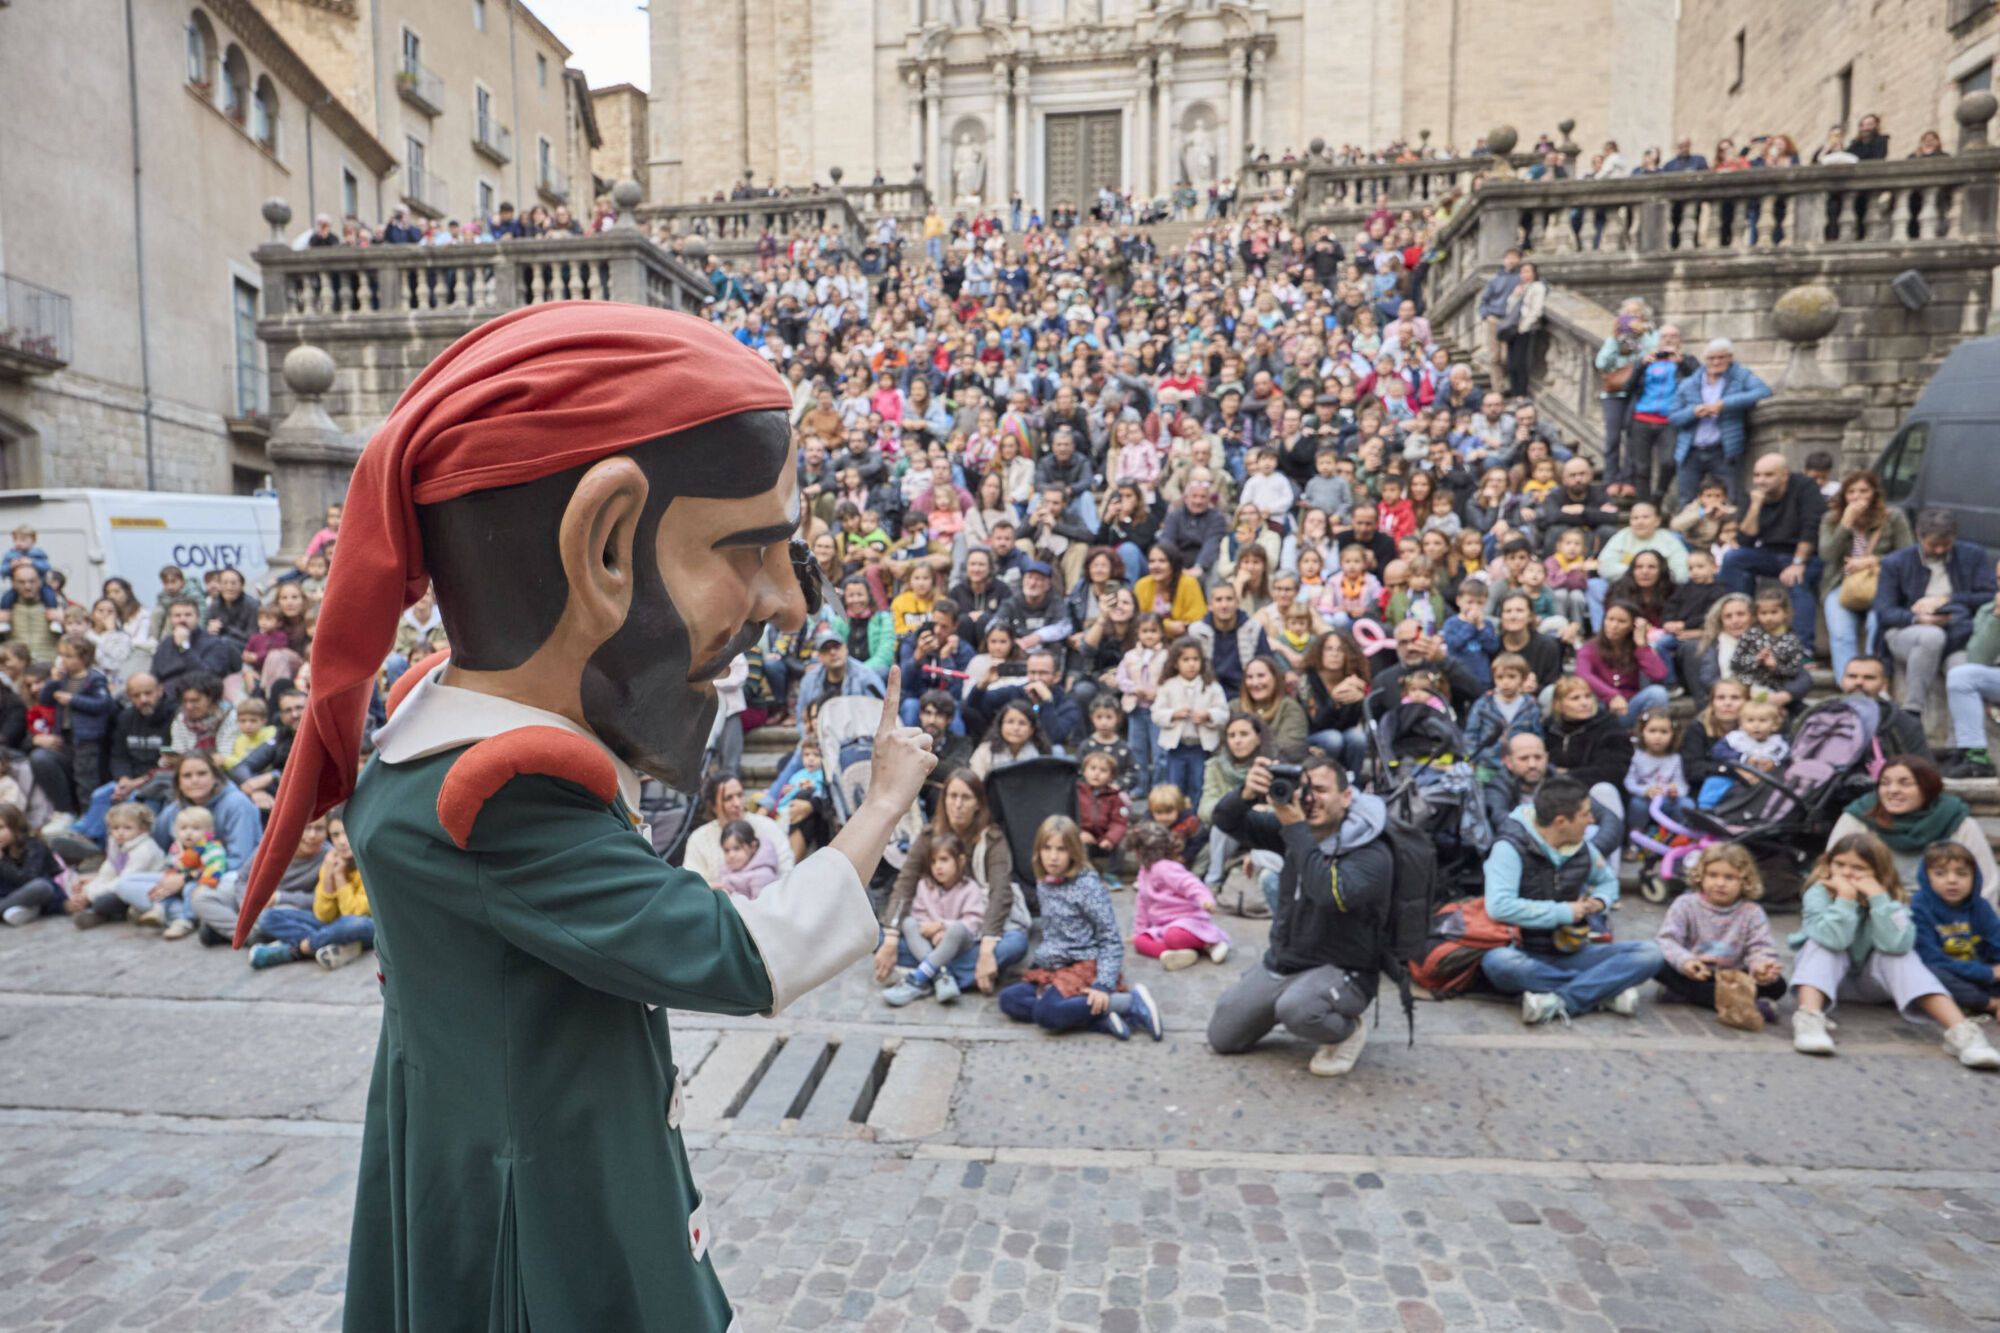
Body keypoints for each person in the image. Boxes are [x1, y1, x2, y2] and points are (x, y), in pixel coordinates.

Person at [1206, 754, 1396, 1078]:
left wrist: (1294, 827)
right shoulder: (1295, 832)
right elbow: (1225, 820)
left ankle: (1346, 1031)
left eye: (1321, 790)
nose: (1310, 799)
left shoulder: (1373, 852)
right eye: (1304, 790)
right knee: (1223, 1037)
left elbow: (1328, 894)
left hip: (1344, 968)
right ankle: (1289, 995)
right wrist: (1246, 793)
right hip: (1288, 961)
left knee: (1298, 1009)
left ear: (1346, 797)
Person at [1788, 832, 2000, 1068]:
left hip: (1875, 983)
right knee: (1819, 944)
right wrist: (1845, 900)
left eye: (1859, 868)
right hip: (1828, 982)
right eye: (1840, 865)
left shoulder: (1892, 898)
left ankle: (1962, 1032)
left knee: (1901, 955)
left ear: (1878, 873)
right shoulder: (1818, 892)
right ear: (1829, 864)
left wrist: (1878, 898)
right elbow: (1834, 939)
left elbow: (1897, 944)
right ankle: (1809, 1018)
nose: (1846, 873)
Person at [1480, 776, 1663, 1024]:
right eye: (1585, 815)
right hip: (1523, 953)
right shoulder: (1509, 848)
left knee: (1650, 954)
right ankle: (1602, 992)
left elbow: (1608, 883)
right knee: (1497, 963)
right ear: (1561, 822)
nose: (1591, 821)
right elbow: (1499, 906)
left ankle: (1560, 1000)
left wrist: (1599, 901)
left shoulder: (1581, 848)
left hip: (1573, 949)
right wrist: (1564, 912)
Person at [997, 815, 1162, 1041]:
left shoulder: (1087, 886)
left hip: (1085, 963)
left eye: (1061, 850)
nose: (1053, 857)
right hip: (1054, 965)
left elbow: (1110, 939)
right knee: (1009, 1000)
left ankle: (1128, 1003)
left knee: (1046, 1014)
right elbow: (1053, 932)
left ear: (1073, 851)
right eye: (1047, 848)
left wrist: (1103, 984)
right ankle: (1099, 1019)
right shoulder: (1045, 881)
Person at [877, 769, 1030, 996]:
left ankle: (923, 974)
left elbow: (1001, 894)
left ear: (978, 803)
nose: (958, 804)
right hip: (931, 928)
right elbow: (905, 884)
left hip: (974, 931)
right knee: (880, 938)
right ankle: (948, 975)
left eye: (966, 798)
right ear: (944, 799)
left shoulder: (992, 840)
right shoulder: (929, 837)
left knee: (1016, 944)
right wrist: (890, 941)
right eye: (952, 796)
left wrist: (987, 951)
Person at [1826, 756, 2000, 903]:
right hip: (1871, 912)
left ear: (1927, 788)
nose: (1893, 790)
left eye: (1905, 783)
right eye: (1885, 783)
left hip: (1942, 918)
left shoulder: (1957, 821)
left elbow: (1986, 883)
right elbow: (1832, 871)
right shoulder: (1859, 818)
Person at [1875, 508, 1993, 725]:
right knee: (1932, 636)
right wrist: (1919, 618)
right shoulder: (1896, 562)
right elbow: (1884, 612)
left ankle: (1962, 746)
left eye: (1945, 545)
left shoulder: (1972, 555)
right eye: (1932, 545)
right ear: (1919, 536)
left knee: (1963, 671)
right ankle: (1913, 712)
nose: (1939, 550)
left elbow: (1988, 596)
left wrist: (1947, 599)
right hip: (1907, 632)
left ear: (1954, 539)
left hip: (1959, 634)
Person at [1651, 844, 1786, 1026]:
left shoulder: (1752, 912)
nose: (1720, 883)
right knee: (1657, 964)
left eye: (1729, 877)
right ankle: (1744, 1005)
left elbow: (1760, 946)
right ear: (1701, 875)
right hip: (1696, 972)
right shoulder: (1685, 904)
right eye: (1713, 875)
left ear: (1744, 880)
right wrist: (1685, 961)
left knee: (1778, 985)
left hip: (1733, 977)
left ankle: (1689, 995)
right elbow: (1668, 940)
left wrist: (1761, 967)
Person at [1720, 452, 1825, 659]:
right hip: (1769, 553)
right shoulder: (1753, 495)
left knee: (1797, 581)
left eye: (1768, 475)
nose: (1761, 480)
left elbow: (1811, 527)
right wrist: (1756, 506)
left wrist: (1797, 562)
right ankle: (1743, 630)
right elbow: (1745, 540)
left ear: (1784, 475)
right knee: (1733, 559)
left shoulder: (1805, 487)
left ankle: (1804, 647)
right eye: (1757, 475)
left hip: (1804, 555)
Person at [249, 811, 375, 969]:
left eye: (346, 833)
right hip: (333, 924)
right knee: (268, 917)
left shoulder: (371, 862)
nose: (342, 841)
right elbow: (323, 914)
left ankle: (298, 950)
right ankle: (339, 945)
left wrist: (340, 877)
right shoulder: (332, 861)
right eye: (335, 835)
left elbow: (354, 912)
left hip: (366, 925)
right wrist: (329, 874)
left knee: (355, 924)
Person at [1819, 470, 1911, 679]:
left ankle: (1872, 679)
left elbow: (1907, 555)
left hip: (1881, 584)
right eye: (1851, 491)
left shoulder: (1893, 517)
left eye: (1863, 491)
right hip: (1841, 584)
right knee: (1841, 633)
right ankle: (1849, 684)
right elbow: (1827, 554)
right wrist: (1845, 523)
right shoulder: (1830, 519)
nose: (1857, 496)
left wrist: (1874, 560)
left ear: (1874, 493)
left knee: (1875, 625)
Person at [879, 831, 986, 1006]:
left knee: (957, 929)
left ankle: (917, 978)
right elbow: (919, 919)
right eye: (934, 862)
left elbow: (974, 923)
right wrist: (930, 931)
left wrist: (942, 927)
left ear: (960, 861)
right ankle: (941, 974)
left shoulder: (970, 888)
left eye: (944, 860)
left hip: (959, 943)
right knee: (907, 923)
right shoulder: (924, 886)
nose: (938, 867)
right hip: (930, 942)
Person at [1669, 341, 1770, 506]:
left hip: (1724, 450)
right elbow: (1673, 417)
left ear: (1730, 358)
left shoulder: (1741, 376)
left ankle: (1729, 532)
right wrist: (1693, 412)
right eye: (1711, 358)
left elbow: (1764, 391)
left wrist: (1725, 404)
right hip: (1691, 451)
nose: (1716, 362)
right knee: (1687, 501)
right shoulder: (1688, 384)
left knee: (1732, 498)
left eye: (1721, 358)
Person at [1911, 840, 2000, 1018]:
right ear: (1927, 877)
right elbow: (1932, 959)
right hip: (1950, 974)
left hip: (1985, 975)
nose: (1952, 880)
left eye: (1962, 874)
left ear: (1974, 877)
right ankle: (1990, 1004)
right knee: (1925, 975)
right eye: (1940, 873)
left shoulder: (1980, 907)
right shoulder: (1919, 908)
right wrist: (1988, 973)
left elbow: (1996, 943)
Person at [1127, 820, 1229, 970]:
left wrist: (1205, 899)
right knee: (1140, 942)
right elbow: (1142, 903)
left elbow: (1190, 883)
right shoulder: (1144, 871)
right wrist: (1139, 931)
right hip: (1162, 925)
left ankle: (1210, 943)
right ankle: (1181, 954)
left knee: (1174, 936)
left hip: (1186, 922)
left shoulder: (1165, 867)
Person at [68, 802, 170, 930]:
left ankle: (106, 913)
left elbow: (122, 881)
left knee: (102, 901)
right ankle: (93, 912)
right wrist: (86, 891)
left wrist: (89, 895)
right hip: (120, 886)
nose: (120, 833)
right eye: (115, 828)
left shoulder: (145, 850)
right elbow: (107, 874)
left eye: (127, 828)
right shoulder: (116, 845)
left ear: (143, 828)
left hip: (145, 890)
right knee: (88, 891)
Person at [1151, 634, 1229, 799]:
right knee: (1175, 785)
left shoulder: (1211, 686)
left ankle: (1196, 817)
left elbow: (1224, 713)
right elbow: (1156, 714)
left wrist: (1208, 715)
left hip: (1200, 747)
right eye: (1185, 660)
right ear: (1175, 662)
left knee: (1198, 784)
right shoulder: (1168, 686)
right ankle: (1178, 817)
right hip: (1176, 747)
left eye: (1195, 659)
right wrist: (1174, 714)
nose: (1191, 664)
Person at [1944, 562, 2000, 777]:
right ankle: (1975, 755)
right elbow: (1978, 658)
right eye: (1999, 579)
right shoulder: (1988, 609)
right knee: (1962, 675)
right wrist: (1997, 617)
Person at [0, 802, 62, 926]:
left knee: (41, 886)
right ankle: (16, 911)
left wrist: (2, 861)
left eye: (1, 828)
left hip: (31, 892)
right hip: (7, 897)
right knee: (12, 912)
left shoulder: (33, 845)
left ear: (15, 827)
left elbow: (29, 879)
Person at [1498, 260, 1546, 398]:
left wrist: (1524, 326)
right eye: (1522, 272)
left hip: (1525, 330)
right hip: (1512, 329)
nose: (1524, 275)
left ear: (1534, 273)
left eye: (1527, 272)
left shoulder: (1537, 287)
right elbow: (1509, 308)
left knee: (1520, 363)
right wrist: (1516, 295)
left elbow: (1536, 310)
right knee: (1511, 363)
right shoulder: (1519, 288)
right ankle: (1514, 392)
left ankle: (1521, 393)